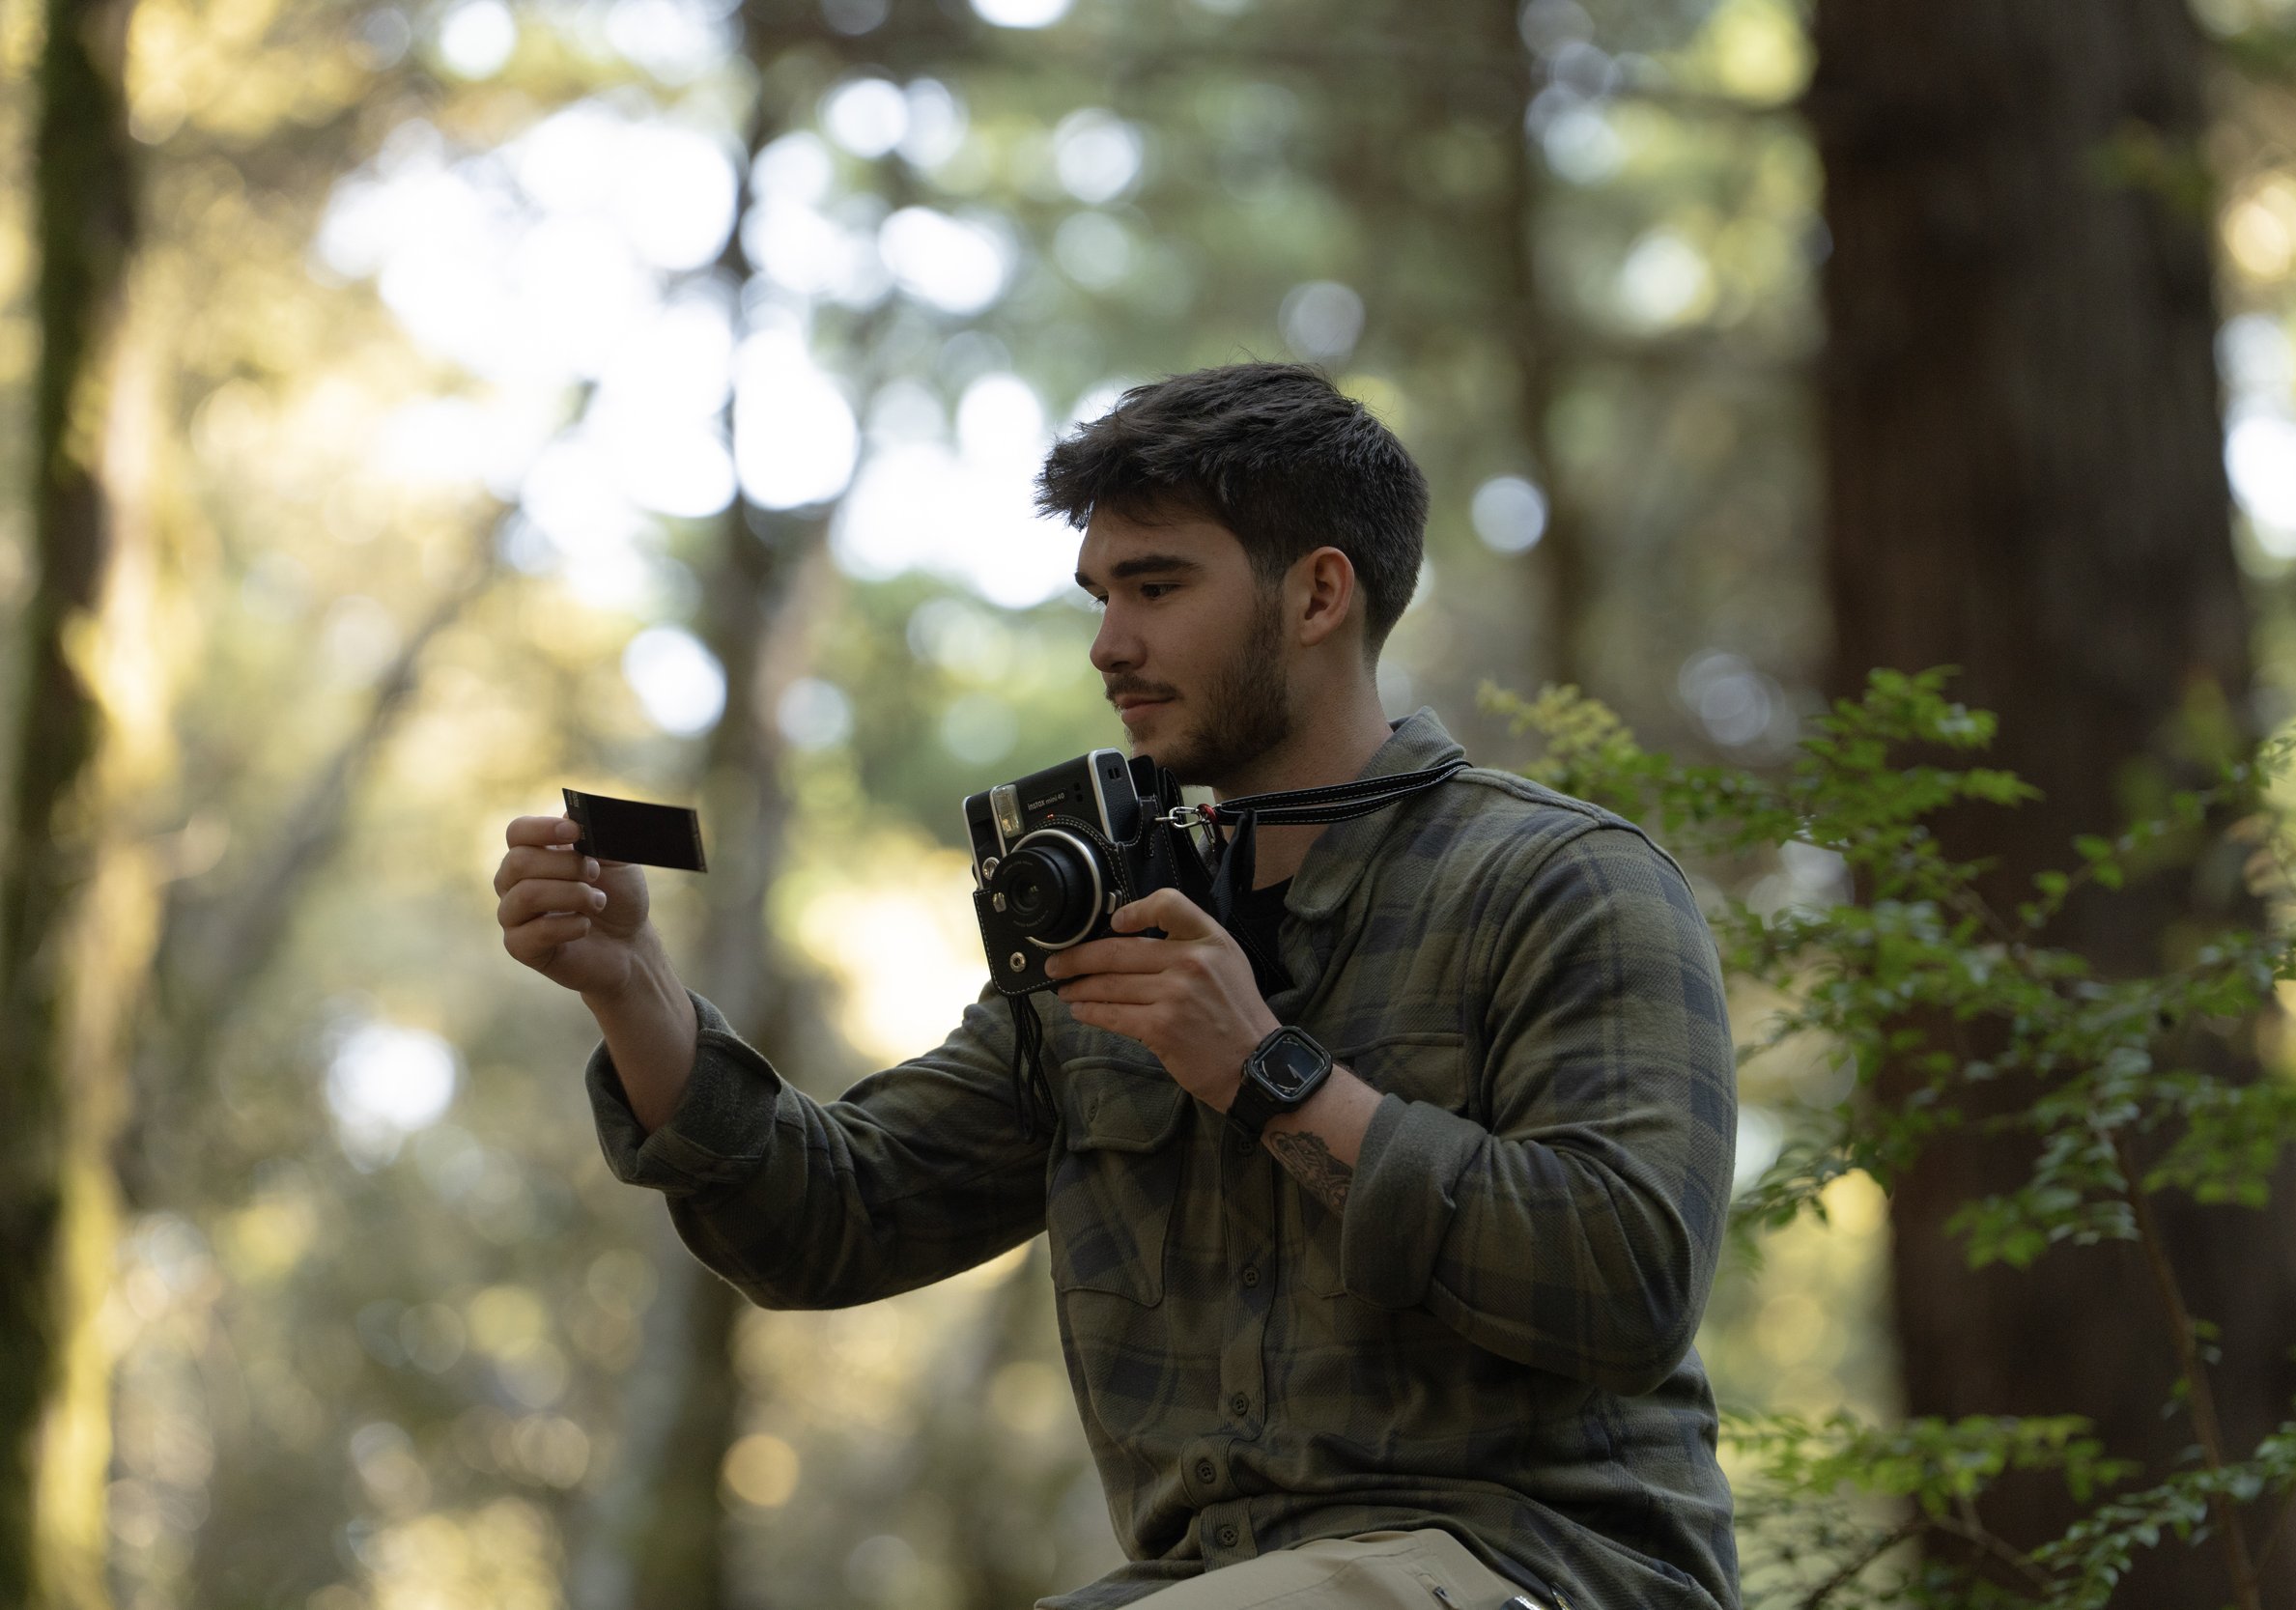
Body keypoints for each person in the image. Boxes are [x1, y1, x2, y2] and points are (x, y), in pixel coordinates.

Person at [492, 362, 1740, 1609]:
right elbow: (829, 1225)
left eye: (1157, 586)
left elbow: (1626, 1282)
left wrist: (1264, 1075)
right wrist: (631, 988)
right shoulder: (1105, 928)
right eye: (1098, 595)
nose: (1109, 646)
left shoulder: (1563, 885)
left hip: (1546, 1570)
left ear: (1317, 594)